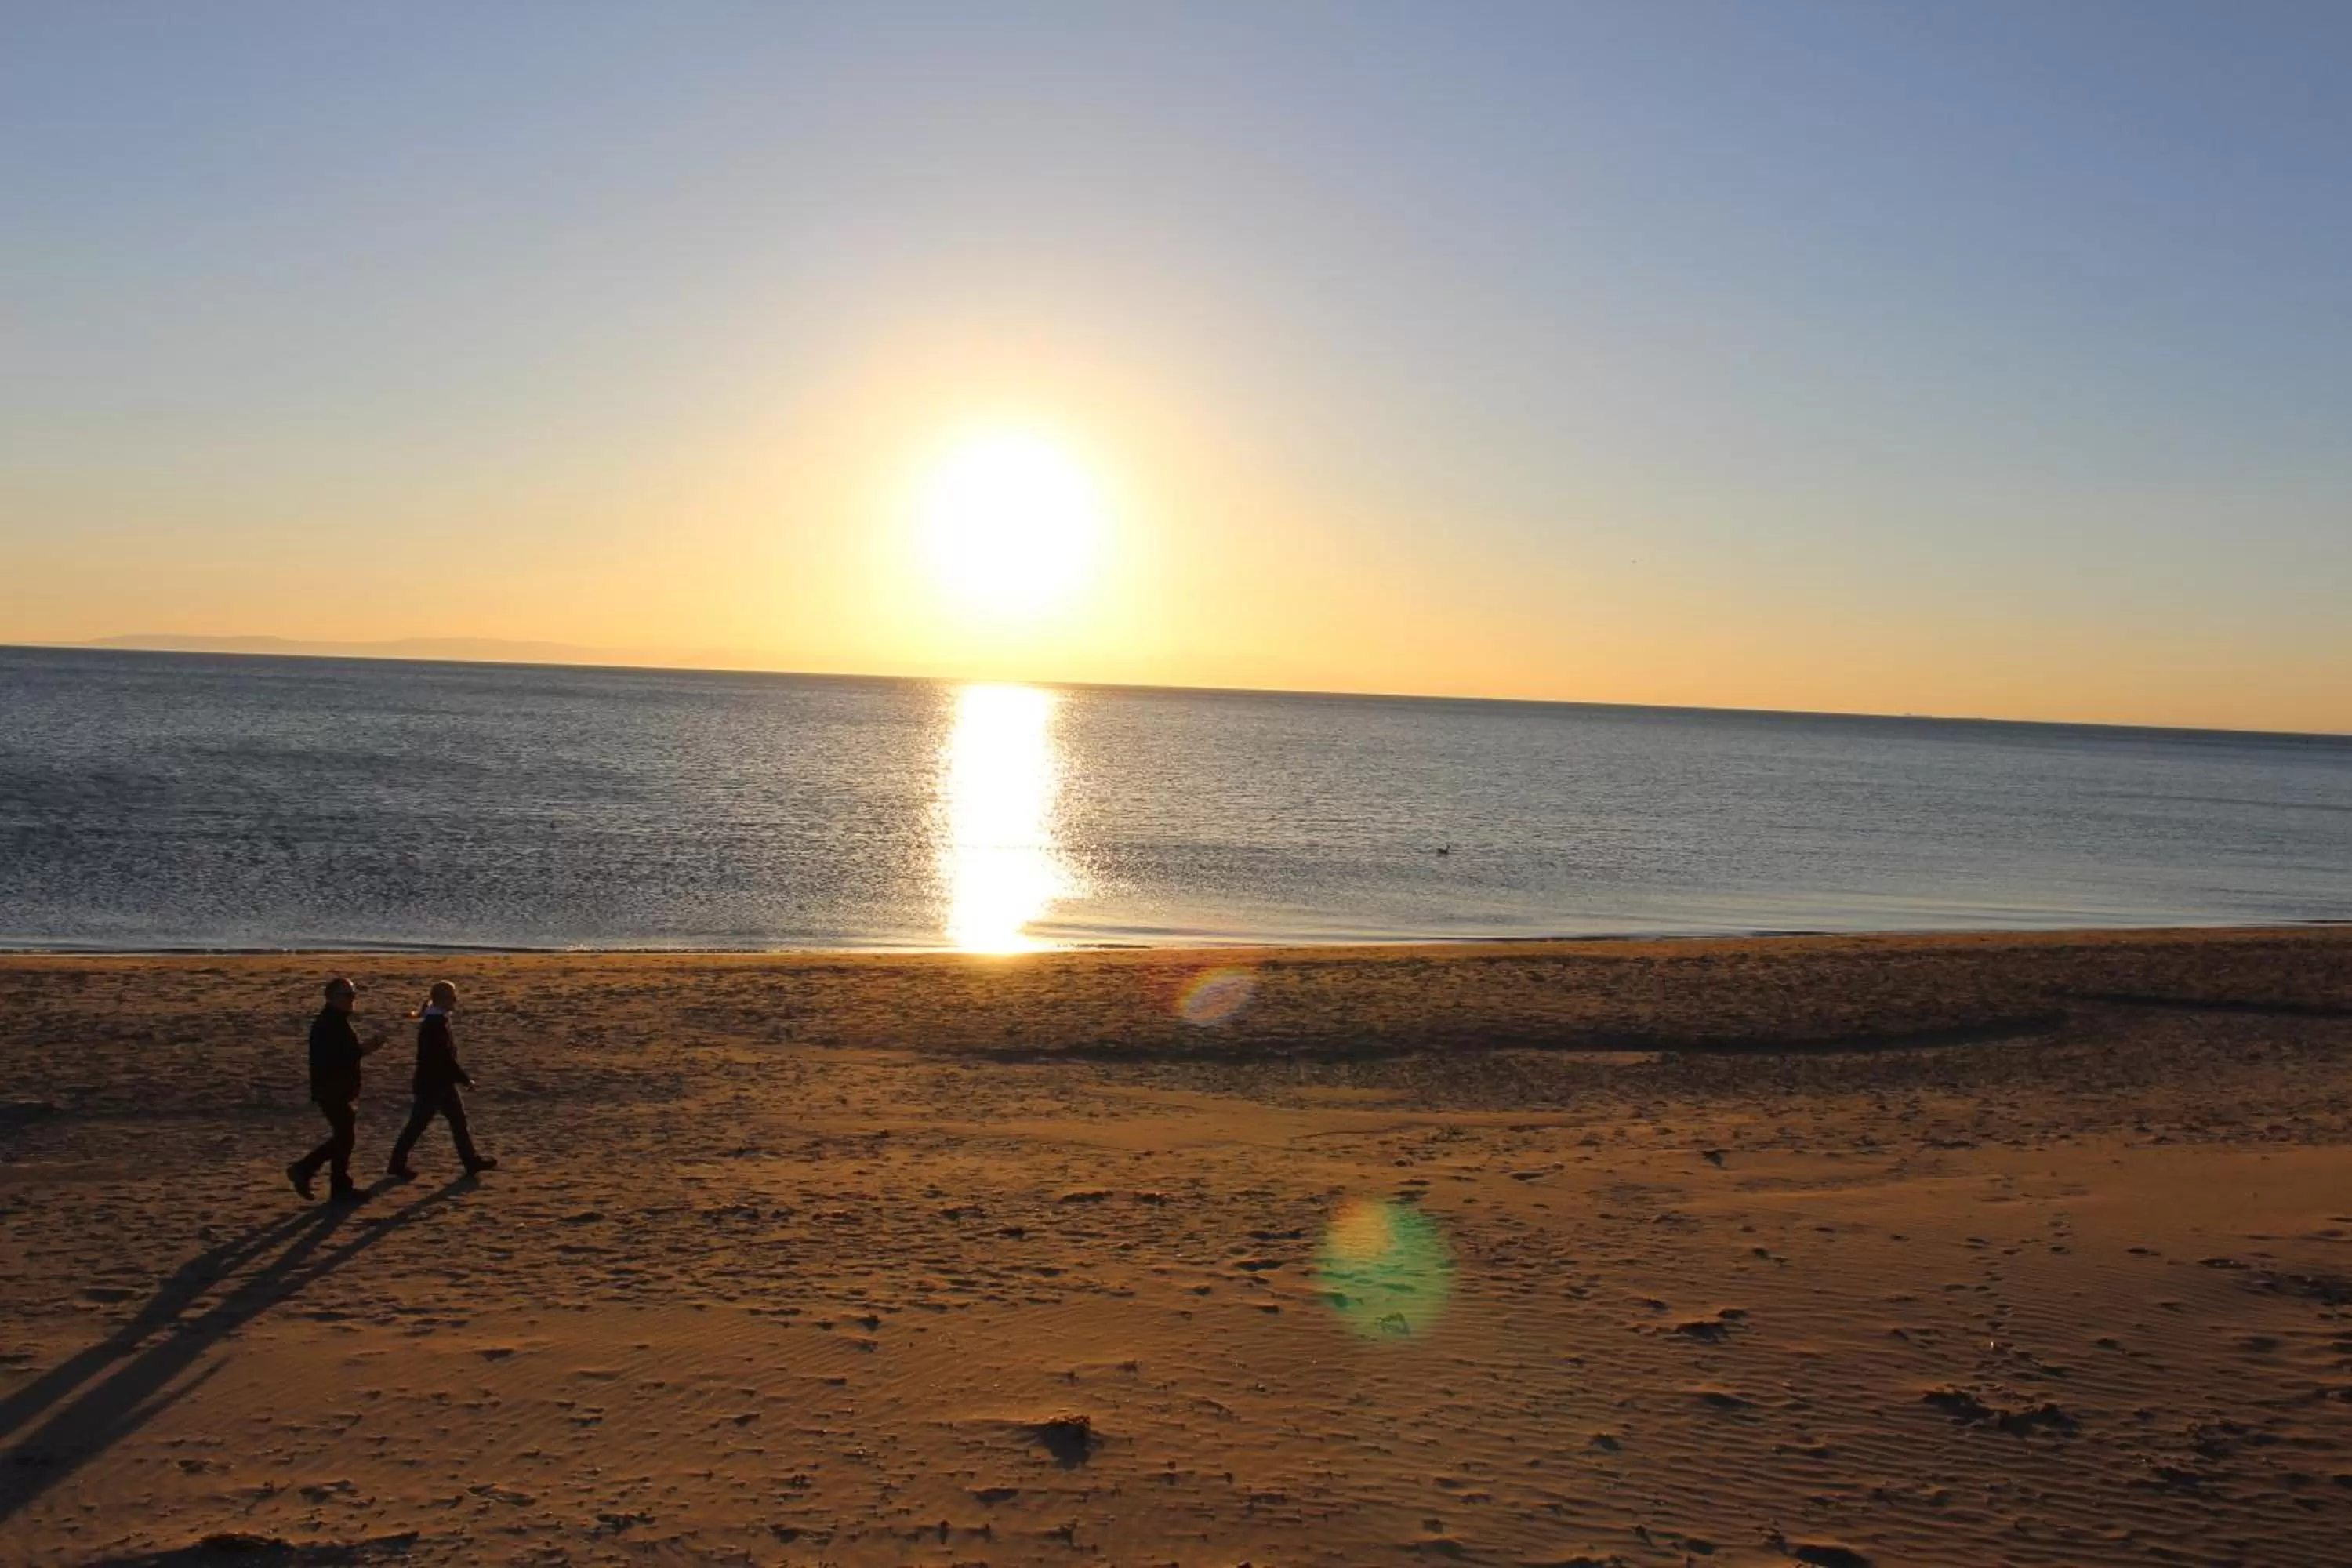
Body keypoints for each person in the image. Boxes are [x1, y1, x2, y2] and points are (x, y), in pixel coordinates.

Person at [288, 976, 388, 1202]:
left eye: (353, 995)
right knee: (344, 1137)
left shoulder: (337, 1021)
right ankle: (306, 1170)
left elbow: (345, 1054)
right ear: (332, 998)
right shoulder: (329, 1023)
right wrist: (365, 1049)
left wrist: (364, 1050)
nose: (353, 1000)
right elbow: (338, 1058)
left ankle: (334, 1184)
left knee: (344, 1137)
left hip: (337, 1088)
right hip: (331, 1089)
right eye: (348, 995)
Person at [387, 981, 498, 1180]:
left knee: (441, 1122)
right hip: (435, 1085)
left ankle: (469, 1160)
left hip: (433, 1083)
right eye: (451, 996)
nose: (455, 1000)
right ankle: (468, 1161)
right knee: (429, 1124)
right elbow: (445, 1058)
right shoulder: (435, 1024)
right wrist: (465, 1080)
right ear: (441, 999)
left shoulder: (436, 1021)